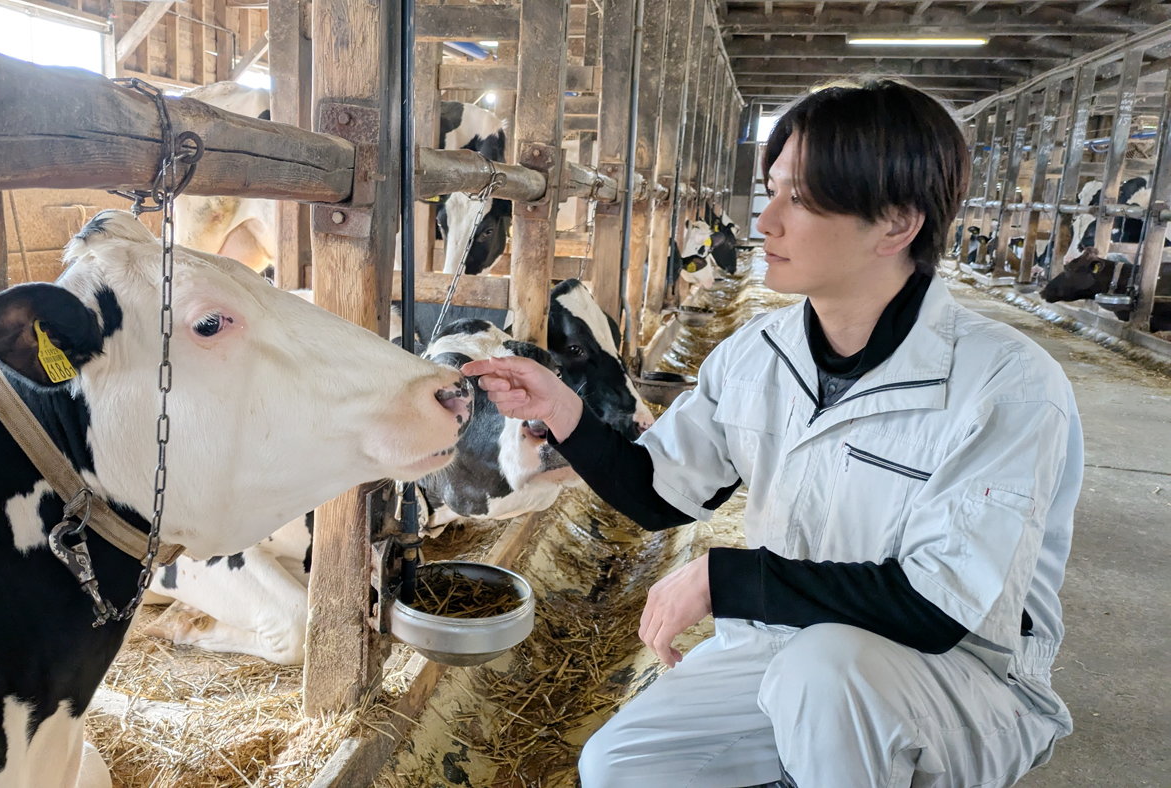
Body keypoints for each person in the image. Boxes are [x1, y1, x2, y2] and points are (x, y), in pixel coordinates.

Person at [462, 80, 1081, 788]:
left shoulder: (1004, 384)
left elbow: (937, 607)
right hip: (784, 649)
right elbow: (661, 492)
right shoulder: (761, 352)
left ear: (896, 226)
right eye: (773, 189)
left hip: (950, 678)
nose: (766, 221)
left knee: (828, 678)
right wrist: (564, 411)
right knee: (620, 765)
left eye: (803, 199)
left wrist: (728, 578)